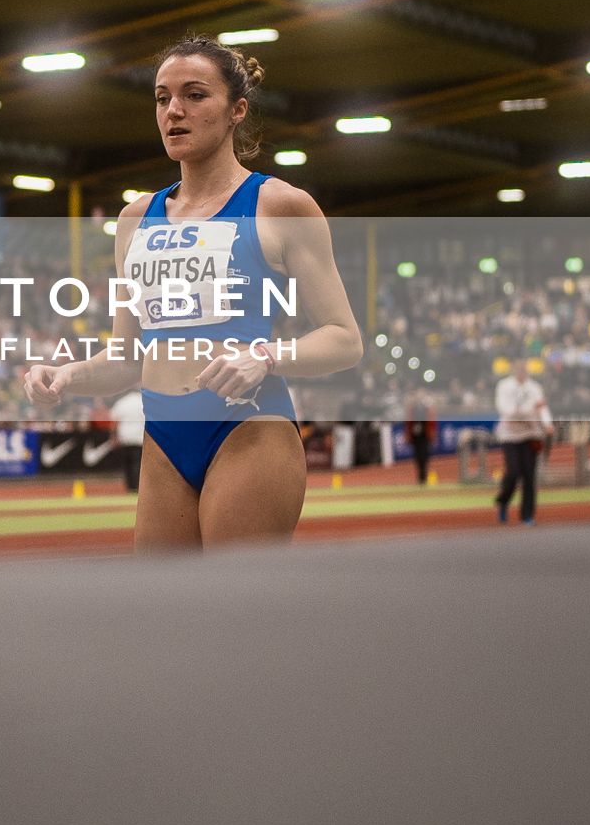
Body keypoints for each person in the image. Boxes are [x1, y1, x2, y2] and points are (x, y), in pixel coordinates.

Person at [25, 35, 363, 549]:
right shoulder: (134, 220)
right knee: (163, 617)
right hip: (164, 434)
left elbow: (344, 340)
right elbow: (126, 357)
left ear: (236, 110)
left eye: (195, 95)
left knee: (238, 614)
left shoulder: (279, 206)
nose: (174, 111)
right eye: (162, 98)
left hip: (249, 427)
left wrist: (266, 356)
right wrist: (66, 374)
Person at [494, 358, 553, 525]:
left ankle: (527, 515)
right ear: (513, 369)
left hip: (530, 434)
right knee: (513, 472)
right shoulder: (504, 386)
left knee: (529, 475)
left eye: (523, 368)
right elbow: (506, 410)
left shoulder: (534, 388)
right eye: (518, 368)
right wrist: (527, 411)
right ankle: (503, 501)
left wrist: (548, 424)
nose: (521, 371)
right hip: (510, 435)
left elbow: (542, 408)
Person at [111, 386, 145, 493]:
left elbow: (114, 423)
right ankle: (136, 486)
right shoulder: (143, 402)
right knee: (137, 463)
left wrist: (114, 437)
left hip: (125, 437)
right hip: (139, 437)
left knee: (127, 464)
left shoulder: (121, 402)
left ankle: (130, 486)